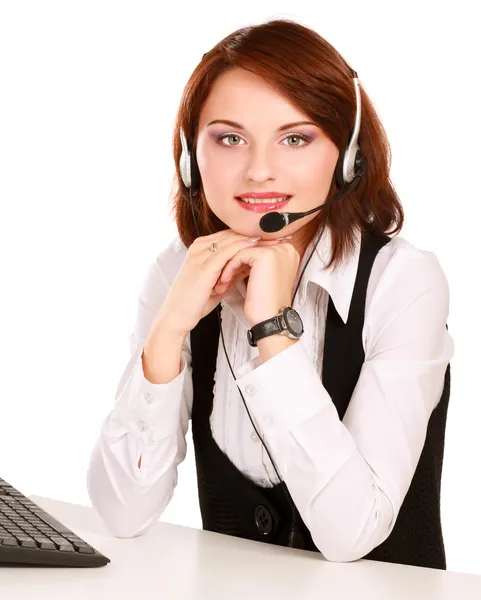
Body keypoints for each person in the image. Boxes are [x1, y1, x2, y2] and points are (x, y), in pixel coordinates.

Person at [87, 18, 454, 569]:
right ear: (191, 158)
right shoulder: (178, 273)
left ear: (348, 157)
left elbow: (352, 534)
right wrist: (167, 331)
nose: (258, 171)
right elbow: (122, 512)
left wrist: (271, 329)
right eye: (230, 138)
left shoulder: (403, 282)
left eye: (295, 138)